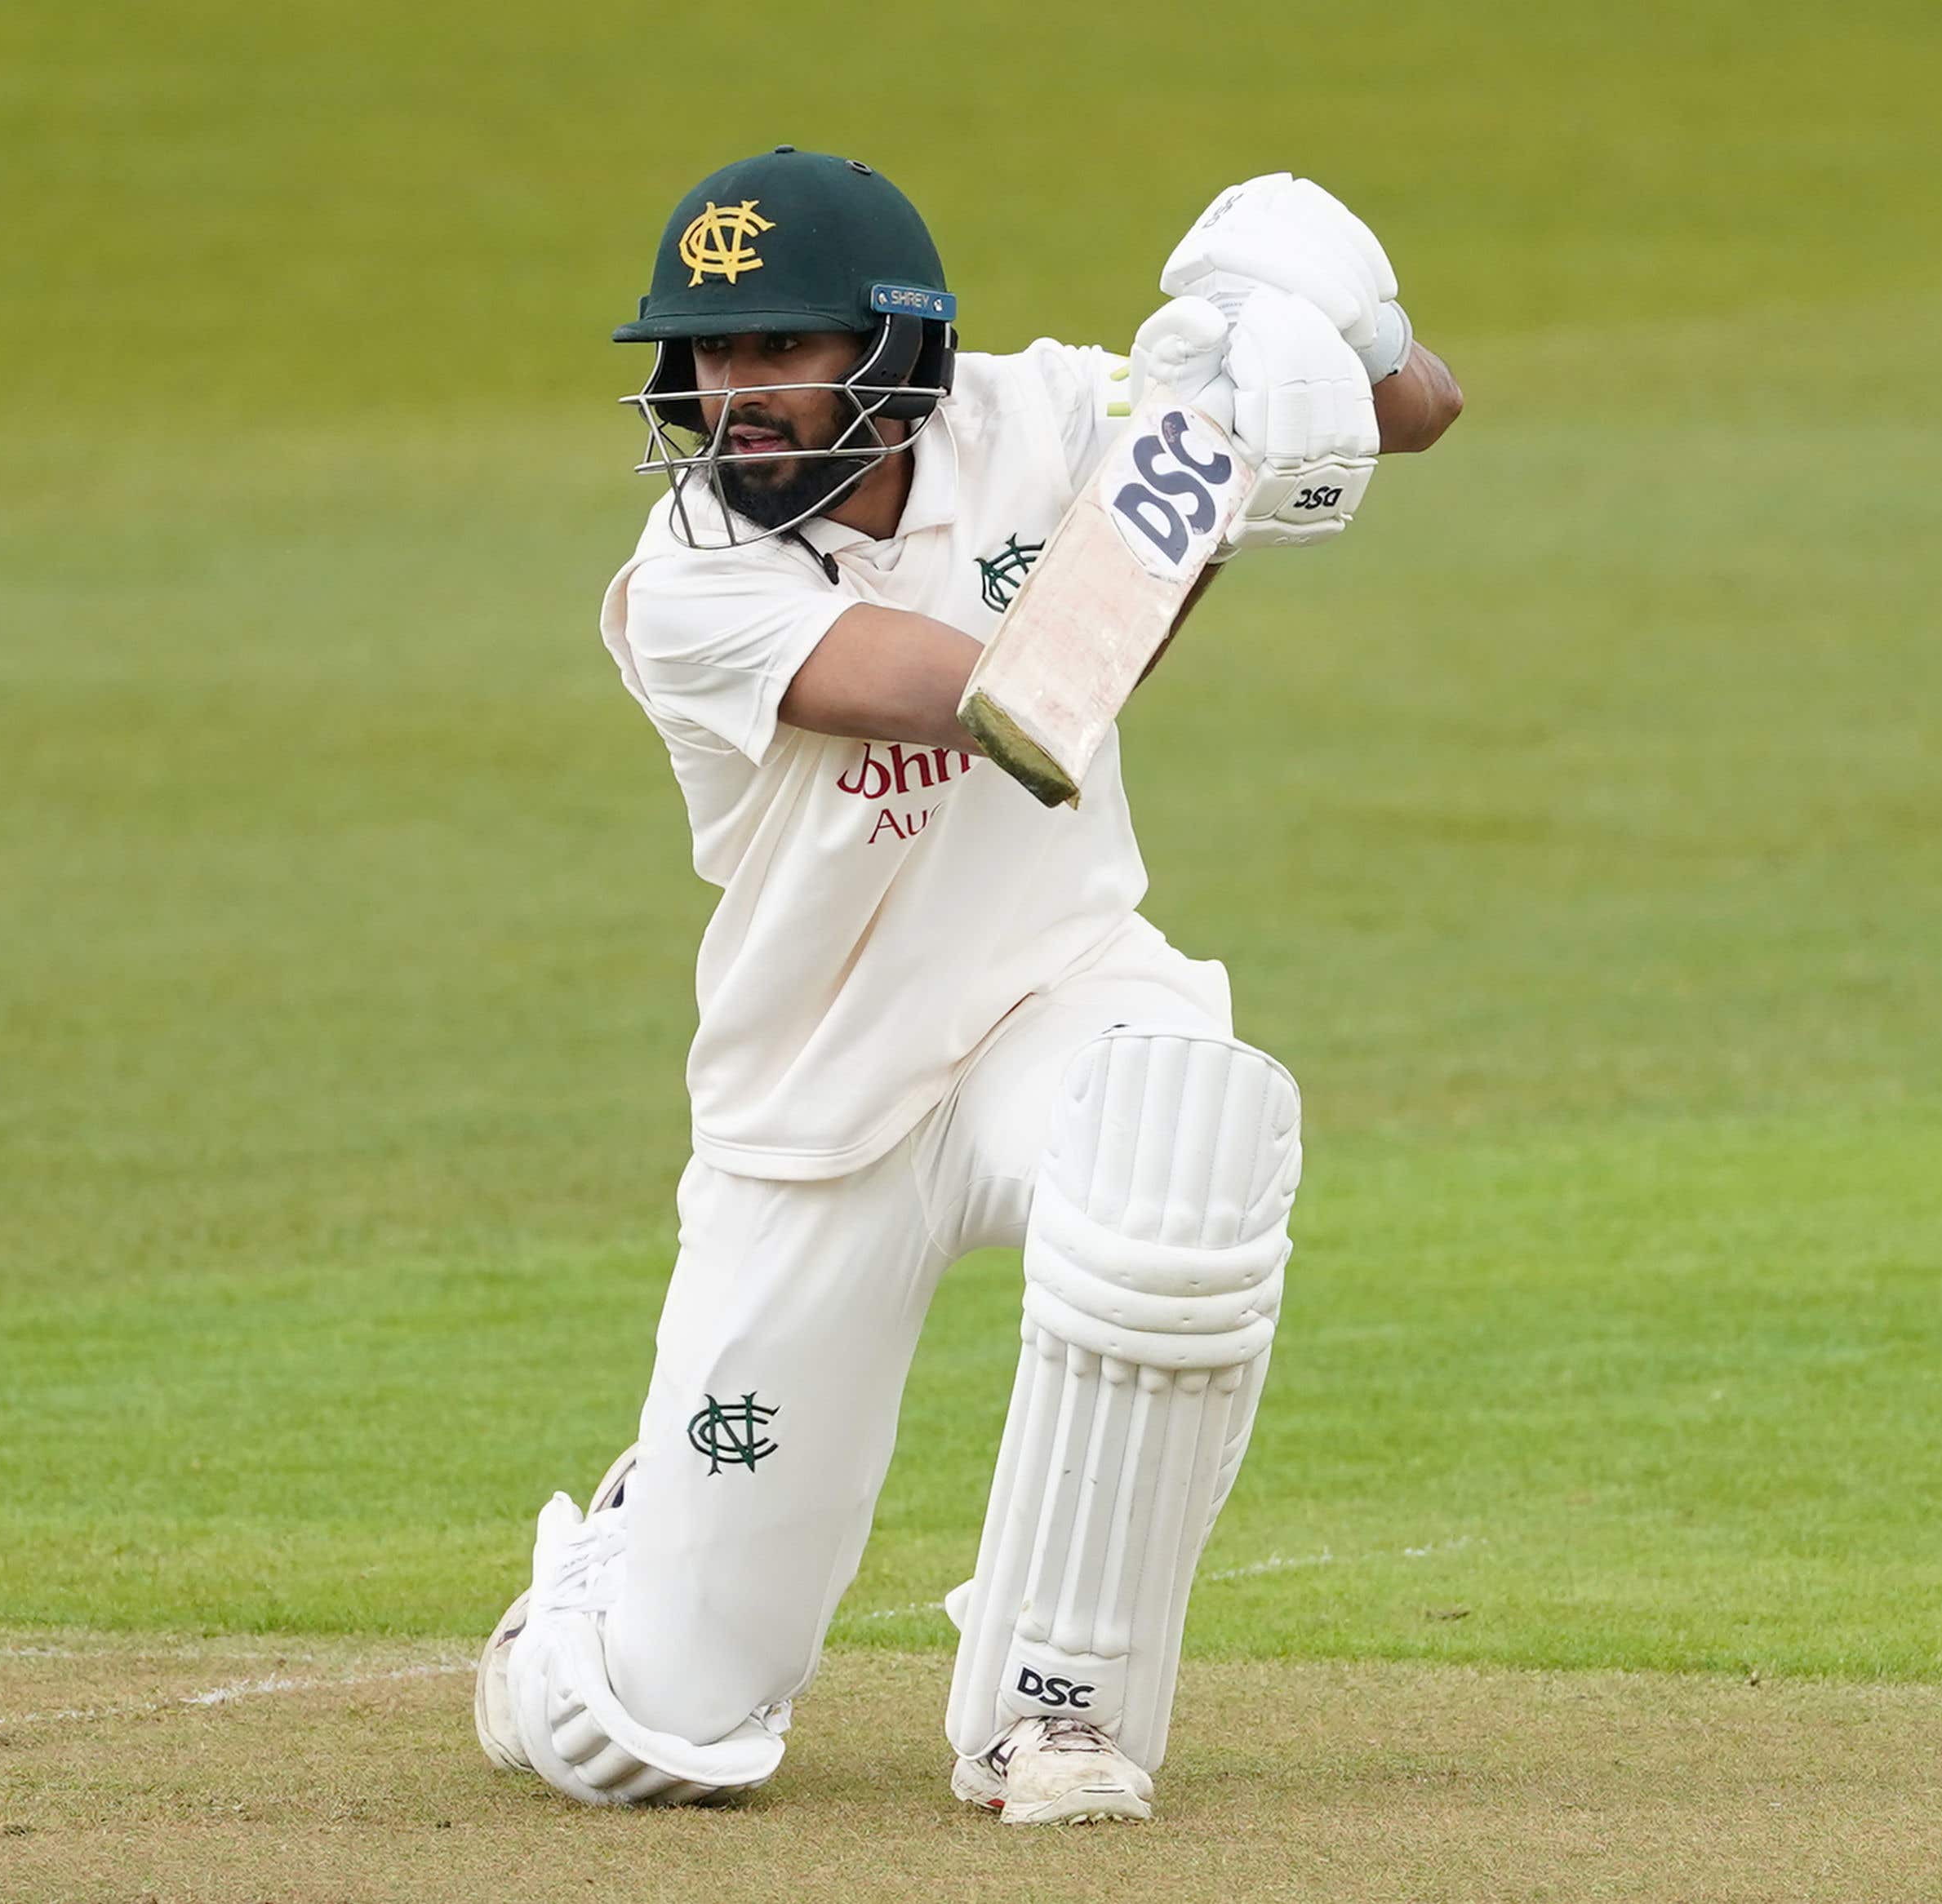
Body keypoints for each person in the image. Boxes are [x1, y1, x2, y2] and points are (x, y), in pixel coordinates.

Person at [473, 148, 1462, 1824]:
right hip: (822, 1112)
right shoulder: (687, 587)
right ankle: (616, 1580)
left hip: (1047, 994)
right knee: (643, 1740)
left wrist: (1329, 329)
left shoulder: (1044, 413)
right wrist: (1198, 476)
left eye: (782, 349)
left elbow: (1420, 411)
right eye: (709, 356)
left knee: (1180, 1149)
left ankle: (1053, 1705)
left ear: (901, 352)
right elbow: (1026, 699)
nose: (738, 396)